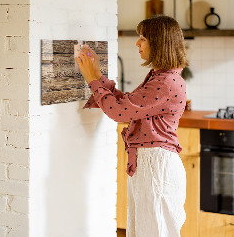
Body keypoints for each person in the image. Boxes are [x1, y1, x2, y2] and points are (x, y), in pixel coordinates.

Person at [76, 15, 188, 237]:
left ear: (159, 43)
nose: (137, 43)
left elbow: (119, 112)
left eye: (143, 38)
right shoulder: (161, 77)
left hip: (156, 166)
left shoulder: (165, 82)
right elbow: (127, 104)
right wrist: (97, 74)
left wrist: (91, 78)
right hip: (151, 164)